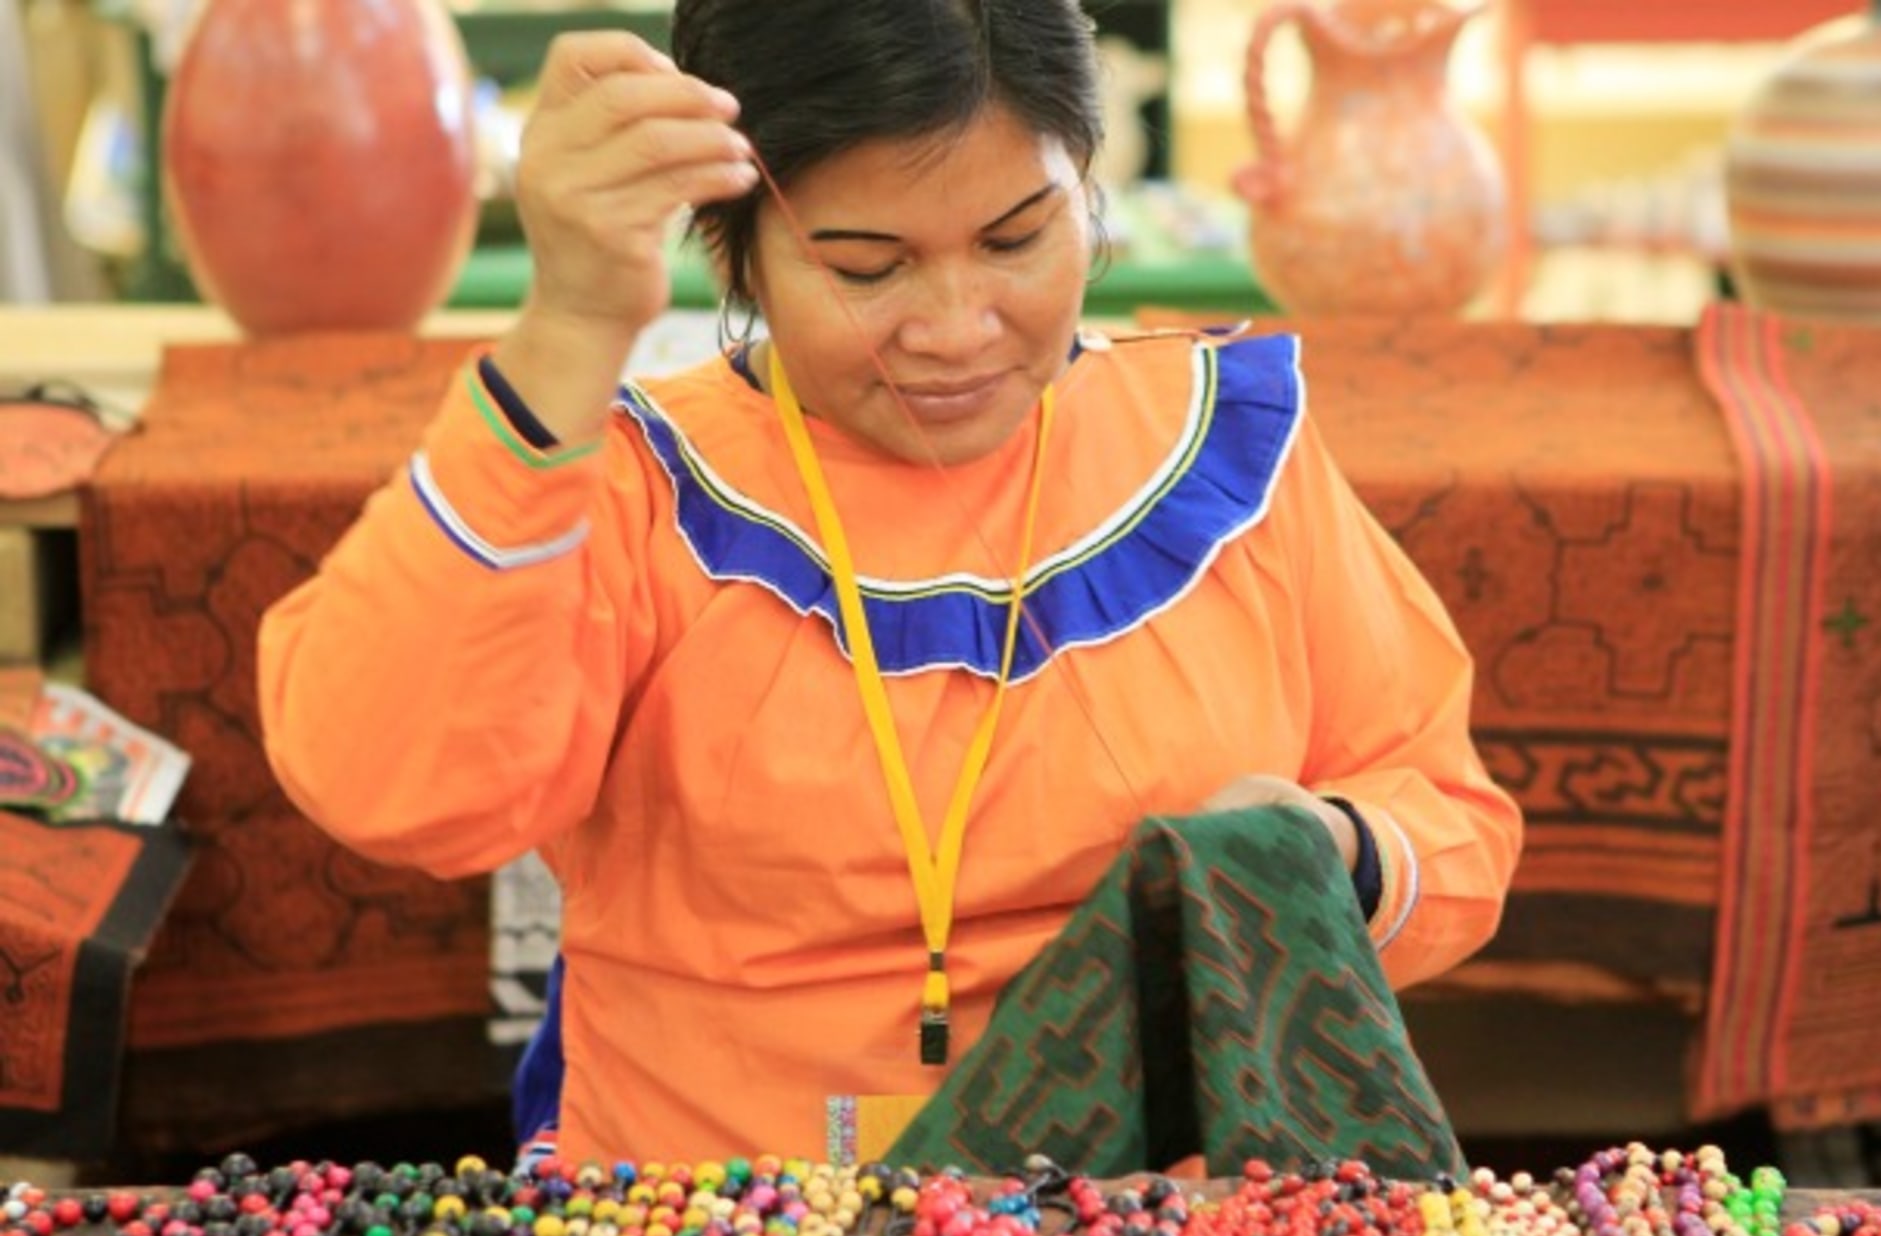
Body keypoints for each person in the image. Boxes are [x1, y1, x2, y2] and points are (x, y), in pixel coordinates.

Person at [256, 0, 1523, 1167]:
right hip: (720, 1215)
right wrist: (571, 325)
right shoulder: (635, 483)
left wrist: (1330, 850)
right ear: (737, 251)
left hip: (1149, 1219)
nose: (958, 327)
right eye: (867, 268)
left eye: (1018, 237)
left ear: (1088, 189)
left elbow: (1447, 814)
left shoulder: (1222, 449)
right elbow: (396, 789)